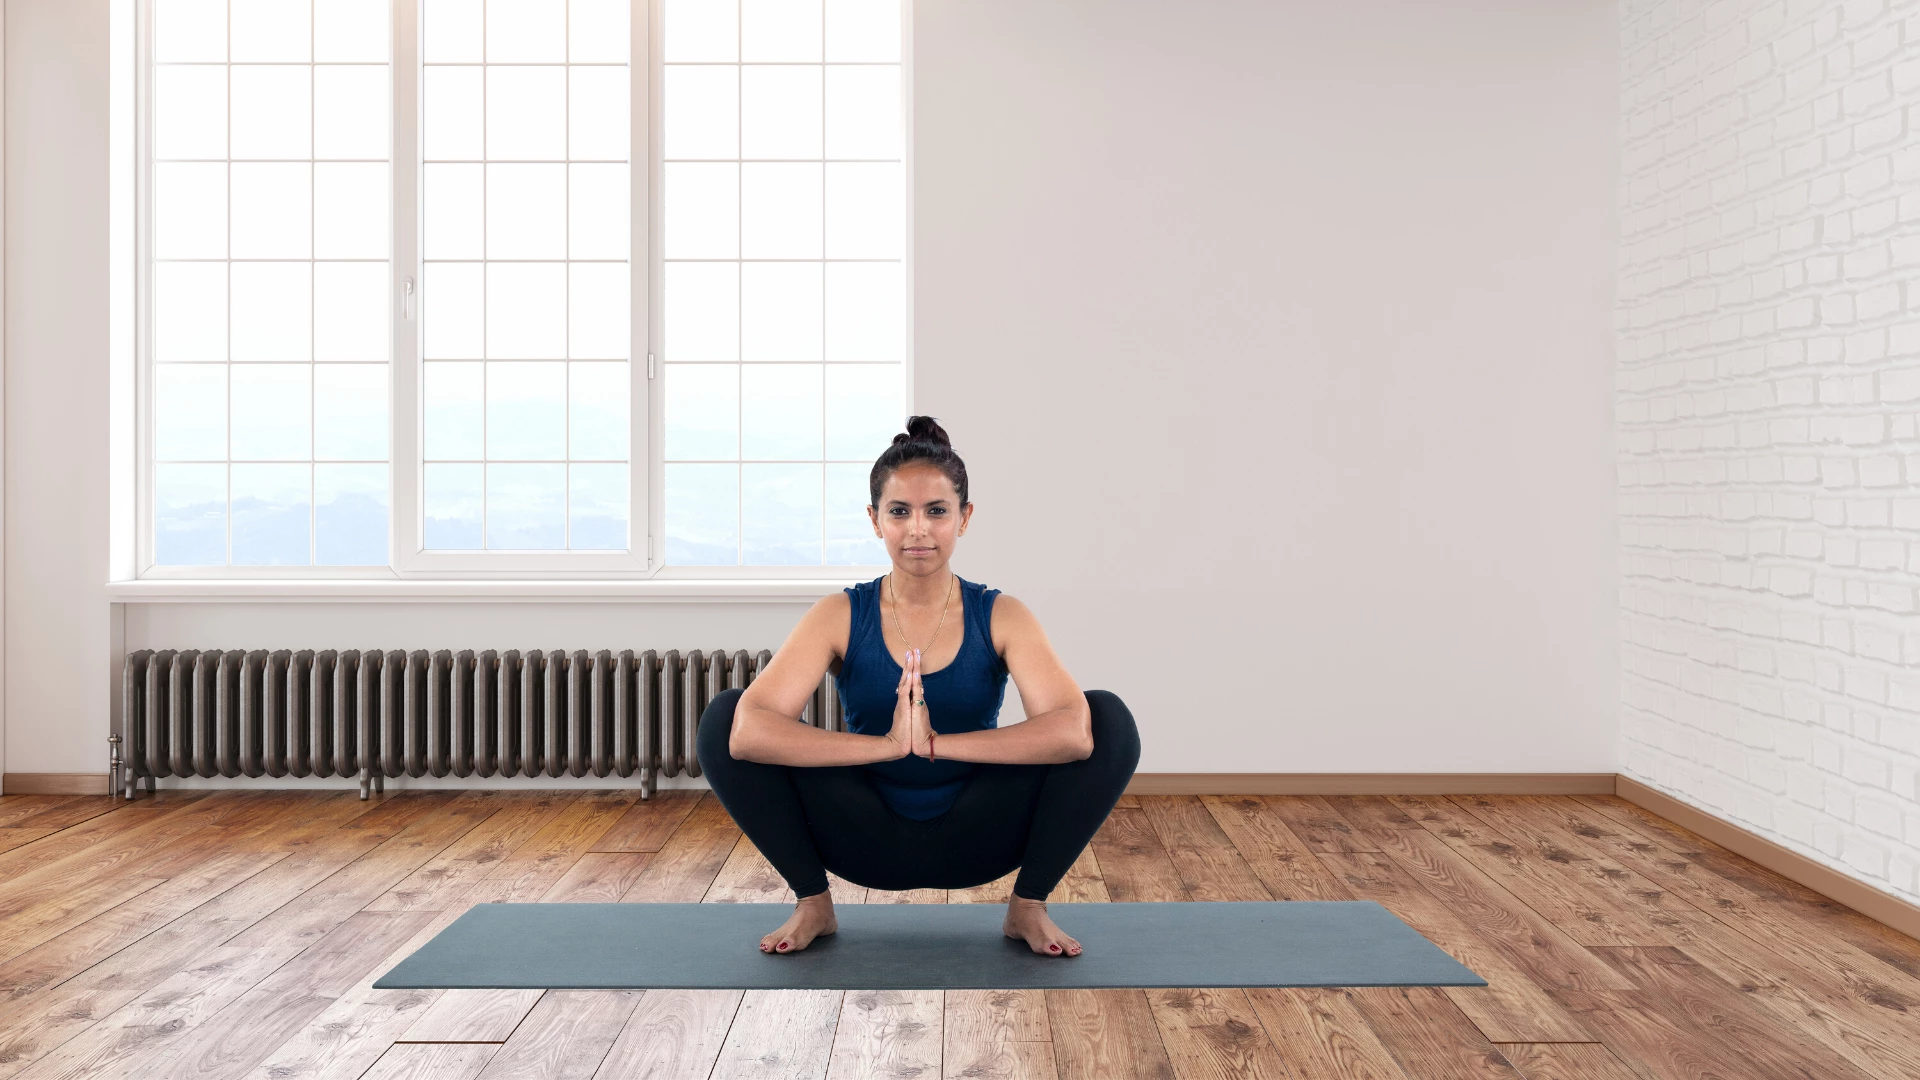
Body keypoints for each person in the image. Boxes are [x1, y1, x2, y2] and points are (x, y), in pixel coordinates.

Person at [695, 416, 1141, 957]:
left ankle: (1028, 906)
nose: (918, 530)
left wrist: (934, 745)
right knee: (725, 714)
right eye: (899, 512)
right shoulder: (839, 613)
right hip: (862, 834)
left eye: (937, 511)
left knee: (1107, 718)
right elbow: (746, 734)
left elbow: (1073, 733)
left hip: (979, 833)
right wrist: (885, 747)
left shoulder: (1000, 614)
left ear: (964, 518)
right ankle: (813, 901)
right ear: (875, 520)